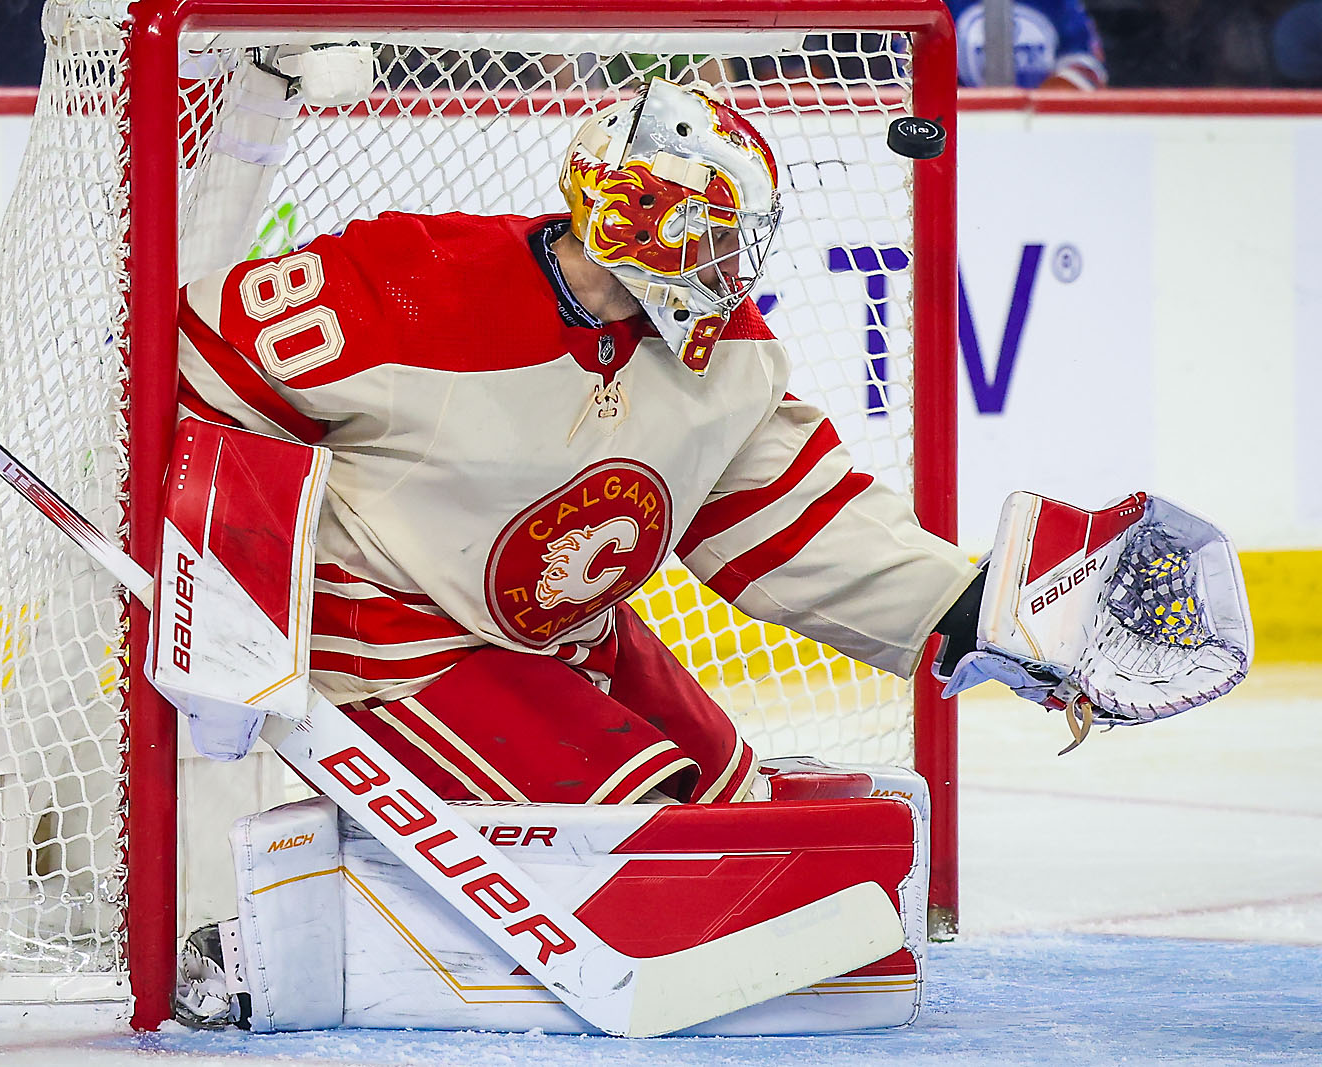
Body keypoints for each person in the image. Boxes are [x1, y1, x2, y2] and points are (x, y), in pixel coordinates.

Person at [175, 78, 985, 809]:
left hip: (570, 639)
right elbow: (200, 358)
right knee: (640, 836)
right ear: (643, 217)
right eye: (716, 236)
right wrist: (225, 618)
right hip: (393, 642)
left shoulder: (724, 355)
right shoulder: (417, 284)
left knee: (732, 812)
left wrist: (966, 607)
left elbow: (796, 519)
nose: (735, 267)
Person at [949, 0, 1109, 89]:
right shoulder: (948, 4)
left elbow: (1085, 61)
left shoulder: (1059, 4)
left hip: (1043, 127)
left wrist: (1047, 100)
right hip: (967, 124)